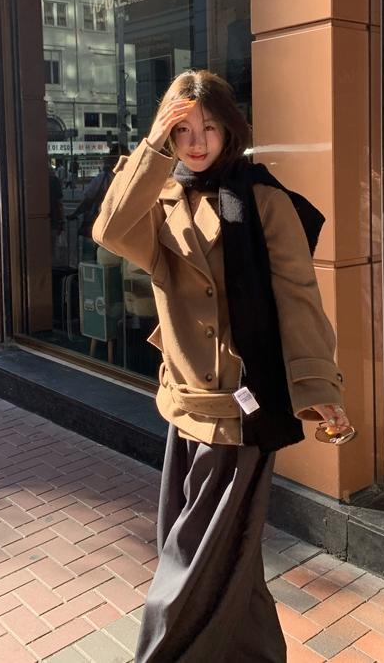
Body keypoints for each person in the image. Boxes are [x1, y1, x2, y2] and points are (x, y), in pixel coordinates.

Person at [93, 70, 350, 663]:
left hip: (242, 406)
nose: (197, 142)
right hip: (186, 403)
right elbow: (110, 230)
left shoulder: (263, 198)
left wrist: (319, 385)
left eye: (209, 127)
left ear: (230, 129)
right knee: (221, 551)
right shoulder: (159, 199)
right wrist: (152, 148)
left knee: (193, 559)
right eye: (182, 130)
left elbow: (297, 297)